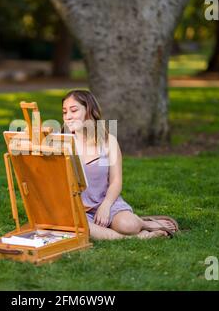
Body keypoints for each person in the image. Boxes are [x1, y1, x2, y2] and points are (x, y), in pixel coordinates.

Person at [62, 90, 179, 240]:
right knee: (82, 228)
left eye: (74, 110)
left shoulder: (107, 143)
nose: (68, 117)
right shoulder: (62, 143)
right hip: (77, 210)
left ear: (89, 111)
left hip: (105, 202)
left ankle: (144, 223)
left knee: (128, 226)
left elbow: (116, 181)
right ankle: (140, 238)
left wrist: (106, 206)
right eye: (65, 112)